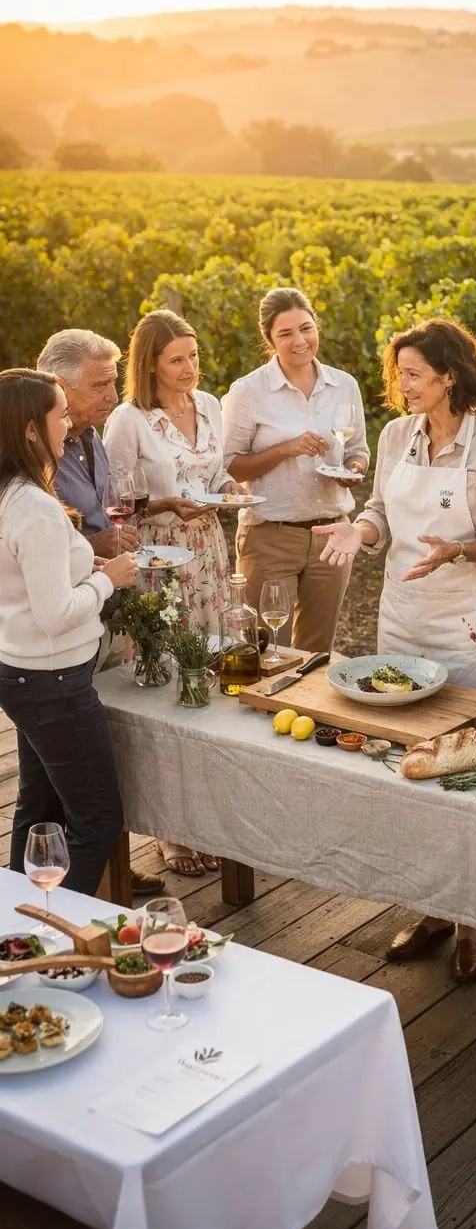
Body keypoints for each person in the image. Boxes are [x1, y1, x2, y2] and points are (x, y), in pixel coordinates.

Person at [313, 317, 476, 982]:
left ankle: (475, 922)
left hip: (467, 629)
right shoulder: (396, 437)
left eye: (412, 374)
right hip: (403, 625)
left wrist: (459, 549)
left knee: (467, 775)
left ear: (448, 378)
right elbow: (378, 508)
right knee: (408, 767)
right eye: (398, 372)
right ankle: (433, 909)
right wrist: (360, 531)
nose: (400, 386)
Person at [104, 309, 235, 877]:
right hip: (159, 559)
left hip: (207, 550)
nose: (189, 368)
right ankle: (168, 829)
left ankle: (205, 812)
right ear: (150, 363)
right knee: (162, 682)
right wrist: (163, 505)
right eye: (176, 359)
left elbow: (219, 473)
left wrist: (231, 491)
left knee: (207, 676)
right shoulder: (128, 420)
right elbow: (115, 501)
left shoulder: (210, 405)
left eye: (194, 356)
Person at [36, 327, 164, 897]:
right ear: (59, 387)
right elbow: (50, 543)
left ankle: (108, 870)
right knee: (76, 786)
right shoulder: (35, 460)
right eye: (100, 385)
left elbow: (105, 513)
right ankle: (69, 902)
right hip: (58, 639)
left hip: (100, 614)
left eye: (114, 383)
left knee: (60, 775)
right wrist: (100, 546)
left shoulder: (93, 438)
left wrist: (116, 535)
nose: (112, 395)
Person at [0, 369, 136, 895]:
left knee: (38, 811)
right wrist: (108, 579)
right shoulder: (32, 507)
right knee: (97, 820)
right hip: (53, 682)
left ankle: (14, 933)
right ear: (32, 430)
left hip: (25, 674)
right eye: (60, 414)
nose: (68, 421)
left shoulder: (13, 491)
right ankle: (52, 941)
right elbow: (56, 613)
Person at [221, 288, 368, 651]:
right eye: (285, 333)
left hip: (331, 537)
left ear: (316, 326)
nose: (299, 341)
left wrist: (351, 467)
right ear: (268, 339)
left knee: (315, 654)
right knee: (264, 650)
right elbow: (229, 466)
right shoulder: (248, 392)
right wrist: (285, 449)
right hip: (271, 537)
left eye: (306, 328)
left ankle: (304, 713)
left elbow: (358, 450)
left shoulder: (344, 385)